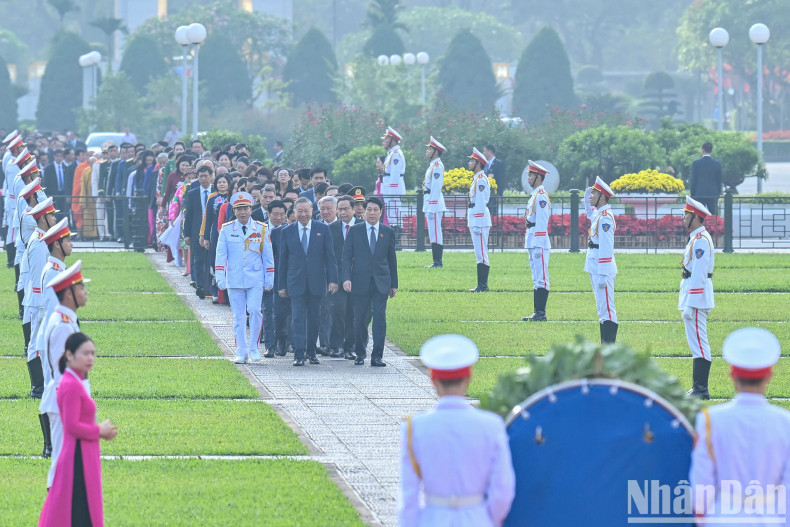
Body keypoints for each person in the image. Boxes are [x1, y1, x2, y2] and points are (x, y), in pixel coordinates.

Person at [399, 334, 515, 526]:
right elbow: (503, 490)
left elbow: (408, 495)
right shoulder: (492, 425)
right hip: (477, 518)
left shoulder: (414, 428)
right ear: (468, 379)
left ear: (433, 381)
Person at [690, 327, 790, 523]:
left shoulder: (710, 419)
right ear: (769, 377)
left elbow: (701, 485)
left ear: (732, 376)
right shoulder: (785, 422)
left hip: (722, 519)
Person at [39, 332, 118, 527]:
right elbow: (72, 426)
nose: (90, 358)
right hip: (77, 456)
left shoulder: (74, 381)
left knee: (82, 510)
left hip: (83, 453)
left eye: (93, 353)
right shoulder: (71, 384)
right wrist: (99, 430)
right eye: (85, 353)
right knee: (79, 513)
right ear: (69, 355)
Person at [39, 258, 89, 489]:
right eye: (81, 288)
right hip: (62, 404)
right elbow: (62, 376)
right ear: (68, 293)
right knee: (60, 462)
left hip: (63, 402)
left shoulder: (65, 320)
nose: (85, 292)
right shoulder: (62, 326)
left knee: (66, 463)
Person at [278, 197, 338, 366]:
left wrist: (333, 280)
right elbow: (283, 261)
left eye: (306, 211)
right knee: (297, 318)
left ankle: (311, 352)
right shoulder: (287, 231)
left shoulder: (322, 229)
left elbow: (330, 257)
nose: (303, 214)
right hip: (295, 282)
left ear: (312, 211)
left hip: (317, 282)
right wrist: (281, 285)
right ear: (294, 212)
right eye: (300, 211)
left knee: (314, 318)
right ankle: (298, 354)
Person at [215, 192, 274, 363]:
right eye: (239, 209)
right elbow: (220, 255)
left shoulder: (261, 228)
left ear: (251, 209)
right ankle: (241, 351)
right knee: (238, 316)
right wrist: (220, 276)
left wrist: (269, 278)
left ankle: (254, 347)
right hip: (234, 277)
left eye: (246, 208)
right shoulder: (227, 229)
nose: (243, 212)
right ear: (234, 210)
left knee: (255, 311)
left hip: (255, 277)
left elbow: (267, 256)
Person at [342, 197, 398, 367]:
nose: (372, 213)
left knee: (380, 318)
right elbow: (346, 257)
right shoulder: (355, 231)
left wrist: (394, 284)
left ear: (380, 212)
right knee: (360, 319)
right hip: (360, 282)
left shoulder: (387, 232)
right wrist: (346, 278)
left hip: (381, 282)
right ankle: (360, 353)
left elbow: (391, 259)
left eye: (376, 210)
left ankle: (377, 356)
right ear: (363, 212)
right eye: (369, 210)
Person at [680, 196, 716, 400]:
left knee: (700, 343)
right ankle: (697, 387)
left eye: (686, 214)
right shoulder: (697, 237)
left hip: (698, 297)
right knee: (696, 342)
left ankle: (701, 389)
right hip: (695, 294)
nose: (683, 217)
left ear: (695, 216)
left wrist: (691, 304)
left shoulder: (701, 240)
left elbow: (700, 274)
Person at [584, 177, 618, 344]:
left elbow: (606, 247)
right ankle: (605, 345)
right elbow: (590, 214)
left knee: (607, 309)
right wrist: (586, 200)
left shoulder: (605, 218)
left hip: (601, 267)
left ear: (602, 196)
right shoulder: (599, 214)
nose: (591, 195)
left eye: (594, 193)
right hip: (595, 265)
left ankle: (609, 347)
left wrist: (603, 274)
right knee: (601, 308)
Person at [329, 195, 358, 359]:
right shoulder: (331, 228)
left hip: (357, 278)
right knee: (338, 310)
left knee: (354, 313)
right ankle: (336, 345)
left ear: (354, 209)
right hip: (338, 278)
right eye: (339, 209)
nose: (342, 212)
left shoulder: (361, 227)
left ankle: (351, 347)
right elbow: (329, 256)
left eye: (346, 209)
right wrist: (332, 279)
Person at [522, 161, 551, 322]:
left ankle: (541, 313)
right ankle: (537, 312)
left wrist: (538, 243)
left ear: (538, 178)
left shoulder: (541, 196)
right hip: (532, 239)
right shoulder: (535, 194)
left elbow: (542, 221)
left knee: (541, 278)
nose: (529, 178)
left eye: (531, 175)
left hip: (538, 241)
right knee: (536, 277)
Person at [261, 200, 287, 357]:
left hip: (281, 276)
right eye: (275, 214)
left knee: (281, 312)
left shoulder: (287, 230)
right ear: (268, 214)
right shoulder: (260, 229)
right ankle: (269, 345)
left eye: (282, 215)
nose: (278, 217)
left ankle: (282, 341)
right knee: (267, 310)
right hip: (264, 275)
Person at [184, 165, 214, 299]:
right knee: (198, 259)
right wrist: (187, 234)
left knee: (210, 259)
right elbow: (188, 215)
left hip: (213, 231)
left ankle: (209, 285)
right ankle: (200, 285)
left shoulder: (216, 192)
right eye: (200, 176)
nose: (203, 179)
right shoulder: (193, 193)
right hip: (197, 231)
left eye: (205, 176)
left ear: (211, 176)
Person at [467, 148, 491, 293]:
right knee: (479, 252)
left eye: (471, 161)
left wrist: (477, 222)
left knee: (482, 253)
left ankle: (483, 285)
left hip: (480, 219)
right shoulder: (477, 178)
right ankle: (481, 285)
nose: (469, 163)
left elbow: (481, 202)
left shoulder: (481, 179)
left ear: (478, 163)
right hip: (476, 217)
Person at [423, 137, 447, 269]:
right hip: (430, 202)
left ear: (436, 152)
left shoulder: (437, 166)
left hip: (435, 203)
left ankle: (438, 262)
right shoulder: (433, 166)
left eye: (430, 149)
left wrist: (432, 207)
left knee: (436, 232)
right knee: (433, 232)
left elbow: (436, 188)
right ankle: (436, 261)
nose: (427, 151)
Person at [689, 141, 723, 217]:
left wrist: (692, 194)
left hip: (699, 194)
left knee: (698, 217)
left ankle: (701, 229)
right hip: (713, 194)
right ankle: (713, 229)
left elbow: (693, 180)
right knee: (713, 217)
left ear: (702, 150)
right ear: (711, 150)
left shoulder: (696, 163)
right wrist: (718, 193)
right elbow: (719, 180)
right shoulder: (717, 164)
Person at [381, 126, 406, 227]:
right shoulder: (391, 153)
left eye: (386, 139)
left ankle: (397, 237)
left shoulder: (396, 154)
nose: (384, 141)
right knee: (392, 215)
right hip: (389, 188)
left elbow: (395, 174)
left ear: (392, 140)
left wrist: (392, 191)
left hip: (393, 189)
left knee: (395, 214)